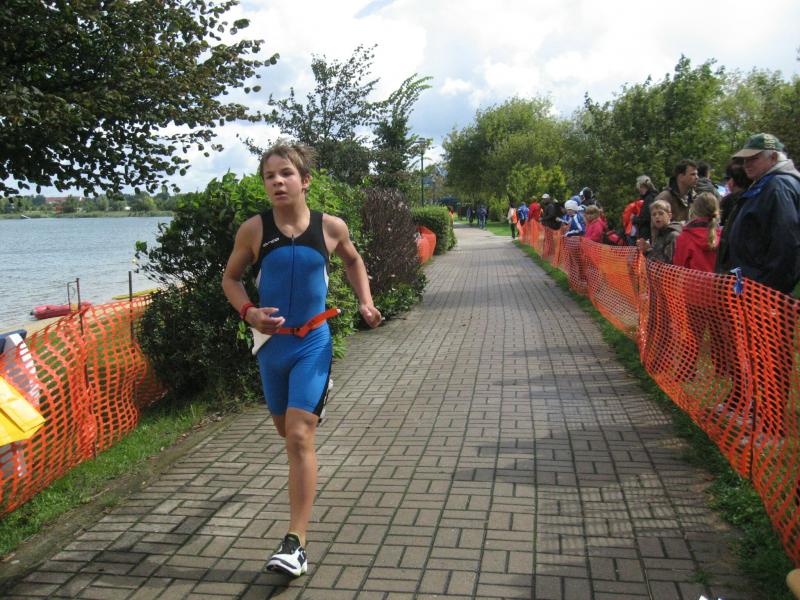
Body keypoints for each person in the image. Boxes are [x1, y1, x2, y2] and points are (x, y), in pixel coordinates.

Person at [222, 142, 382, 578]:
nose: (277, 181)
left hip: (313, 342)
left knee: (298, 436)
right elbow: (231, 278)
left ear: (305, 180)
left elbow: (353, 261)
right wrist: (249, 311)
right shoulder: (253, 230)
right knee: (286, 433)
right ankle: (309, 404)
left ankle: (296, 543)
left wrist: (366, 302)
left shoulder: (330, 227)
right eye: (269, 176)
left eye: (286, 173)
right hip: (271, 348)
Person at [725, 133, 800, 295]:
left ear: (773, 157)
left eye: (754, 159)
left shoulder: (778, 187)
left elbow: (786, 242)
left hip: (762, 290)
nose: (746, 164)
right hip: (752, 284)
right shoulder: (767, 184)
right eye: (745, 160)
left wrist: (769, 291)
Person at [715, 160, 752, 274]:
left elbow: (718, 223)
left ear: (732, 181)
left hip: (730, 262)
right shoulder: (756, 198)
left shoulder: (728, 201)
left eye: (728, 179)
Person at [673, 192, 721, 272]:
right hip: (717, 280)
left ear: (694, 210)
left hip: (690, 280)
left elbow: (678, 268)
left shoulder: (685, 237)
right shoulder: (722, 236)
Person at [636, 200, 682, 264]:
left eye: (661, 213)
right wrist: (647, 249)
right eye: (654, 214)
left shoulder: (673, 235)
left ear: (670, 216)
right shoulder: (660, 233)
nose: (657, 216)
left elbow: (666, 264)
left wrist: (648, 250)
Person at [632, 175, 659, 241]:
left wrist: (634, 219)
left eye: (641, 187)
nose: (640, 190)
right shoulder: (653, 196)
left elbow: (646, 218)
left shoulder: (649, 198)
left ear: (646, 187)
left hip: (647, 234)